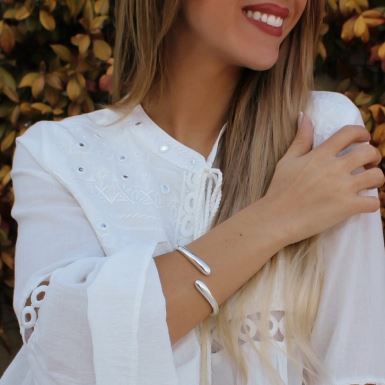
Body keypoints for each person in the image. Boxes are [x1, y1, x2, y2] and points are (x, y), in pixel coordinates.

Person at [1, 0, 385, 384]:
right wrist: (276, 218)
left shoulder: (324, 133)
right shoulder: (59, 155)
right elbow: (67, 355)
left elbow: (357, 366)